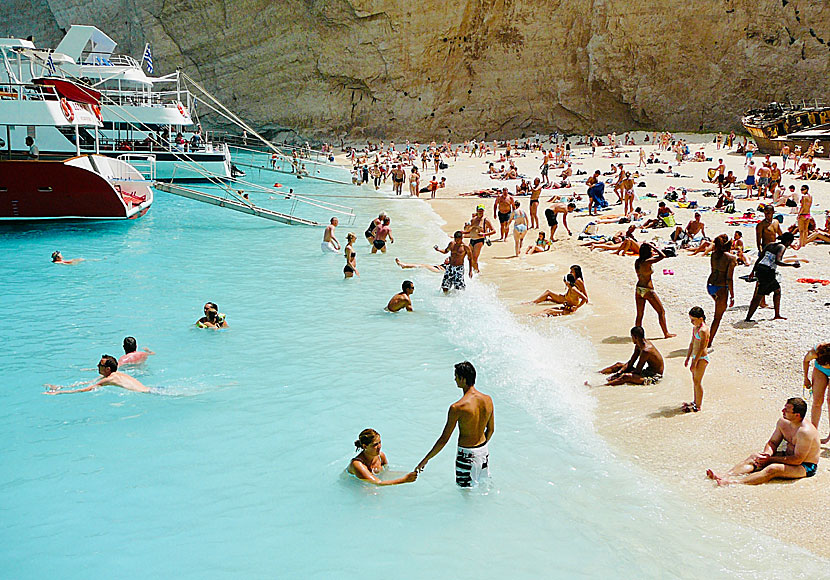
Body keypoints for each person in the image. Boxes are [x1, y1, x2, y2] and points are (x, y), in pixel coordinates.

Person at [415, 361, 494, 487]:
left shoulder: (457, 407)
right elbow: (490, 430)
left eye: (456, 376)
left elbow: (444, 439)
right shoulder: (488, 400)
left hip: (466, 456)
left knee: (465, 493)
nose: (454, 379)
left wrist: (426, 459)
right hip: (484, 452)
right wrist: (479, 450)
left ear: (462, 379)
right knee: (483, 487)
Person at [706, 398, 819, 485]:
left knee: (773, 468)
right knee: (755, 457)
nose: (782, 411)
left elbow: (797, 460)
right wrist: (766, 455)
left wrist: (770, 460)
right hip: (788, 456)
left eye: (786, 410)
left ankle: (734, 483)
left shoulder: (805, 432)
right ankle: (725, 475)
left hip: (805, 466)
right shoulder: (783, 422)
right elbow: (773, 442)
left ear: (797, 415)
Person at [745, 232, 800, 322]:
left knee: (777, 290)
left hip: (760, 268)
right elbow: (778, 261)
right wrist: (792, 265)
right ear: (788, 241)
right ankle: (748, 318)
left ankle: (776, 314)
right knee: (759, 295)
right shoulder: (782, 247)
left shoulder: (770, 244)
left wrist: (752, 271)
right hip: (767, 271)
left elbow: (759, 259)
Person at [45, 355, 151, 395]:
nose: (97, 365)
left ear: (108, 369)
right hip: (150, 390)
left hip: (149, 393)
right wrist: (59, 387)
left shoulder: (109, 380)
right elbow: (88, 383)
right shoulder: (113, 375)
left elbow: (86, 389)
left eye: (100, 364)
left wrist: (59, 393)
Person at [348, 429, 417, 486]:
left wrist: (408, 474)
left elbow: (386, 473)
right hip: (353, 485)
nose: (379, 447)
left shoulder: (381, 456)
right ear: (365, 446)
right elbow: (378, 483)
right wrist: (404, 480)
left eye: (379, 442)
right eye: (375, 445)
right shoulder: (357, 464)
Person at [634, 243, 675, 338]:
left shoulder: (638, 262)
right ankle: (666, 333)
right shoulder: (648, 262)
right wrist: (653, 247)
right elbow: (663, 256)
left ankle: (637, 335)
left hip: (638, 289)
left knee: (640, 314)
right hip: (648, 290)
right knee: (661, 312)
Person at [600, 325, 664, 385]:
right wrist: (619, 372)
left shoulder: (646, 351)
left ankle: (602, 386)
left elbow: (637, 371)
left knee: (626, 377)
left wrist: (619, 376)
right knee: (619, 365)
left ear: (635, 337)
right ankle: (597, 374)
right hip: (647, 372)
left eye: (632, 336)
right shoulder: (639, 345)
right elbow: (631, 362)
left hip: (655, 377)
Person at [706, 234, 736, 346]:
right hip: (721, 287)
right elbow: (729, 278)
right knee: (717, 317)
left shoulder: (713, 255)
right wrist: (732, 295)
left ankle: (706, 337)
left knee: (718, 310)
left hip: (710, 285)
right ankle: (708, 342)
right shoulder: (731, 258)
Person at [682, 307, 710, 413]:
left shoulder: (704, 330)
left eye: (693, 320)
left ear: (701, 318)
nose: (691, 322)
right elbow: (692, 343)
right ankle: (695, 401)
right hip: (695, 357)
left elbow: (702, 347)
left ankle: (698, 405)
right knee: (694, 381)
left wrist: (694, 362)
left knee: (697, 382)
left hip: (701, 358)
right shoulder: (695, 328)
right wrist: (688, 357)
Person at [803, 343, 830, 441]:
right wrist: (806, 378)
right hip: (820, 371)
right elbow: (806, 361)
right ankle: (813, 432)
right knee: (817, 401)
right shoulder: (815, 352)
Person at [462, 205, 495, 273]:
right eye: (479, 210)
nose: (480, 212)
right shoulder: (473, 220)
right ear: (476, 210)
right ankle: (473, 271)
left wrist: (484, 234)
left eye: (482, 210)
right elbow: (469, 230)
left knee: (474, 258)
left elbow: (494, 231)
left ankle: (477, 272)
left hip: (479, 240)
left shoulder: (486, 220)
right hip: (472, 240)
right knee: (469, 257)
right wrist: (464, 230)